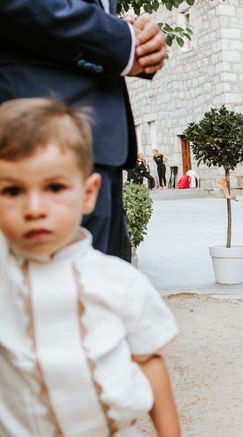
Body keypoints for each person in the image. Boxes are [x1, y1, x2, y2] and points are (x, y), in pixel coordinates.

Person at [0, 98, 188, 437]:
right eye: (12, 191)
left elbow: (149, 360)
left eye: (54, 187)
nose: (34, 207)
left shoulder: (117, 282)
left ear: (88, 193)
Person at [0, 1, 167, 262]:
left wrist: (141, 44)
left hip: (106, 145)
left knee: (99, 290)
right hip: (31, 139)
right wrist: (122, 42)